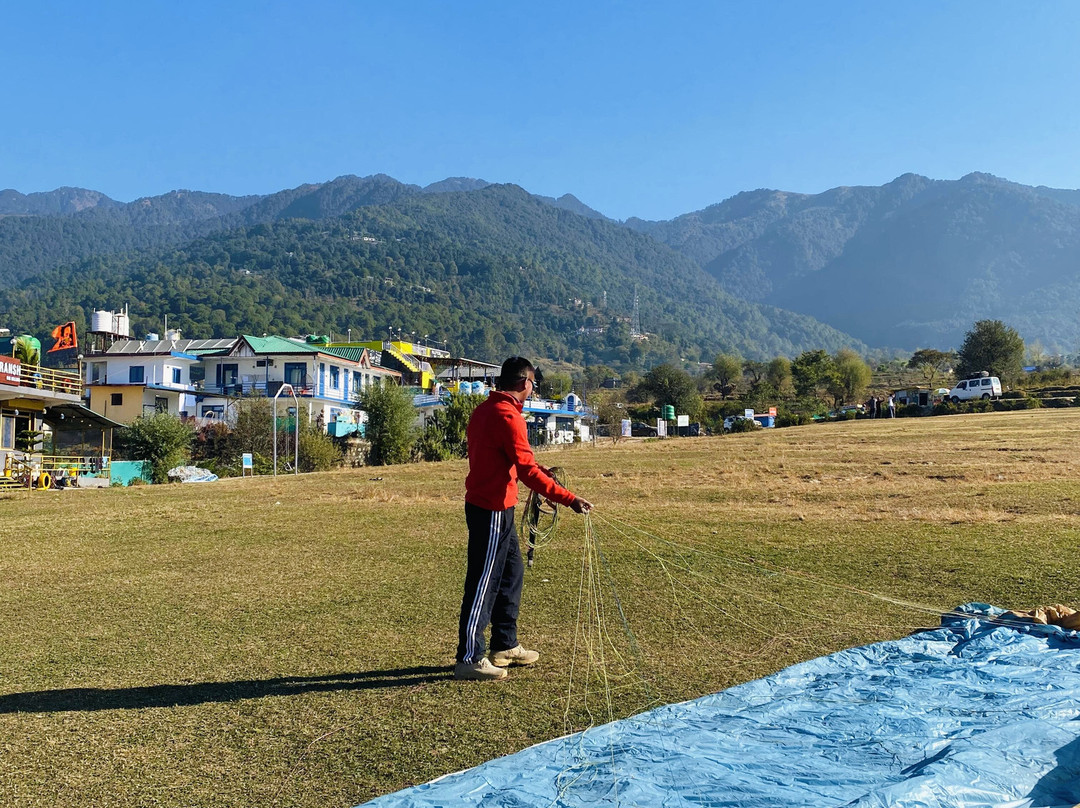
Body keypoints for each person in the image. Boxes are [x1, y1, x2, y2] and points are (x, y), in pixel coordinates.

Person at [455, 357, 593, 681]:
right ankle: (469, 657)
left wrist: (537, 471)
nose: (532, 391)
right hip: (491, 510)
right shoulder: (508, 417)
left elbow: (513, 461)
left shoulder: (485, 411)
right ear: (523, 383)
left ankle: (504, 644)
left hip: (497, 508)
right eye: (532, 385)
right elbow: (526, 471)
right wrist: (568, 498)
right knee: (483, 581)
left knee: (511, 572)